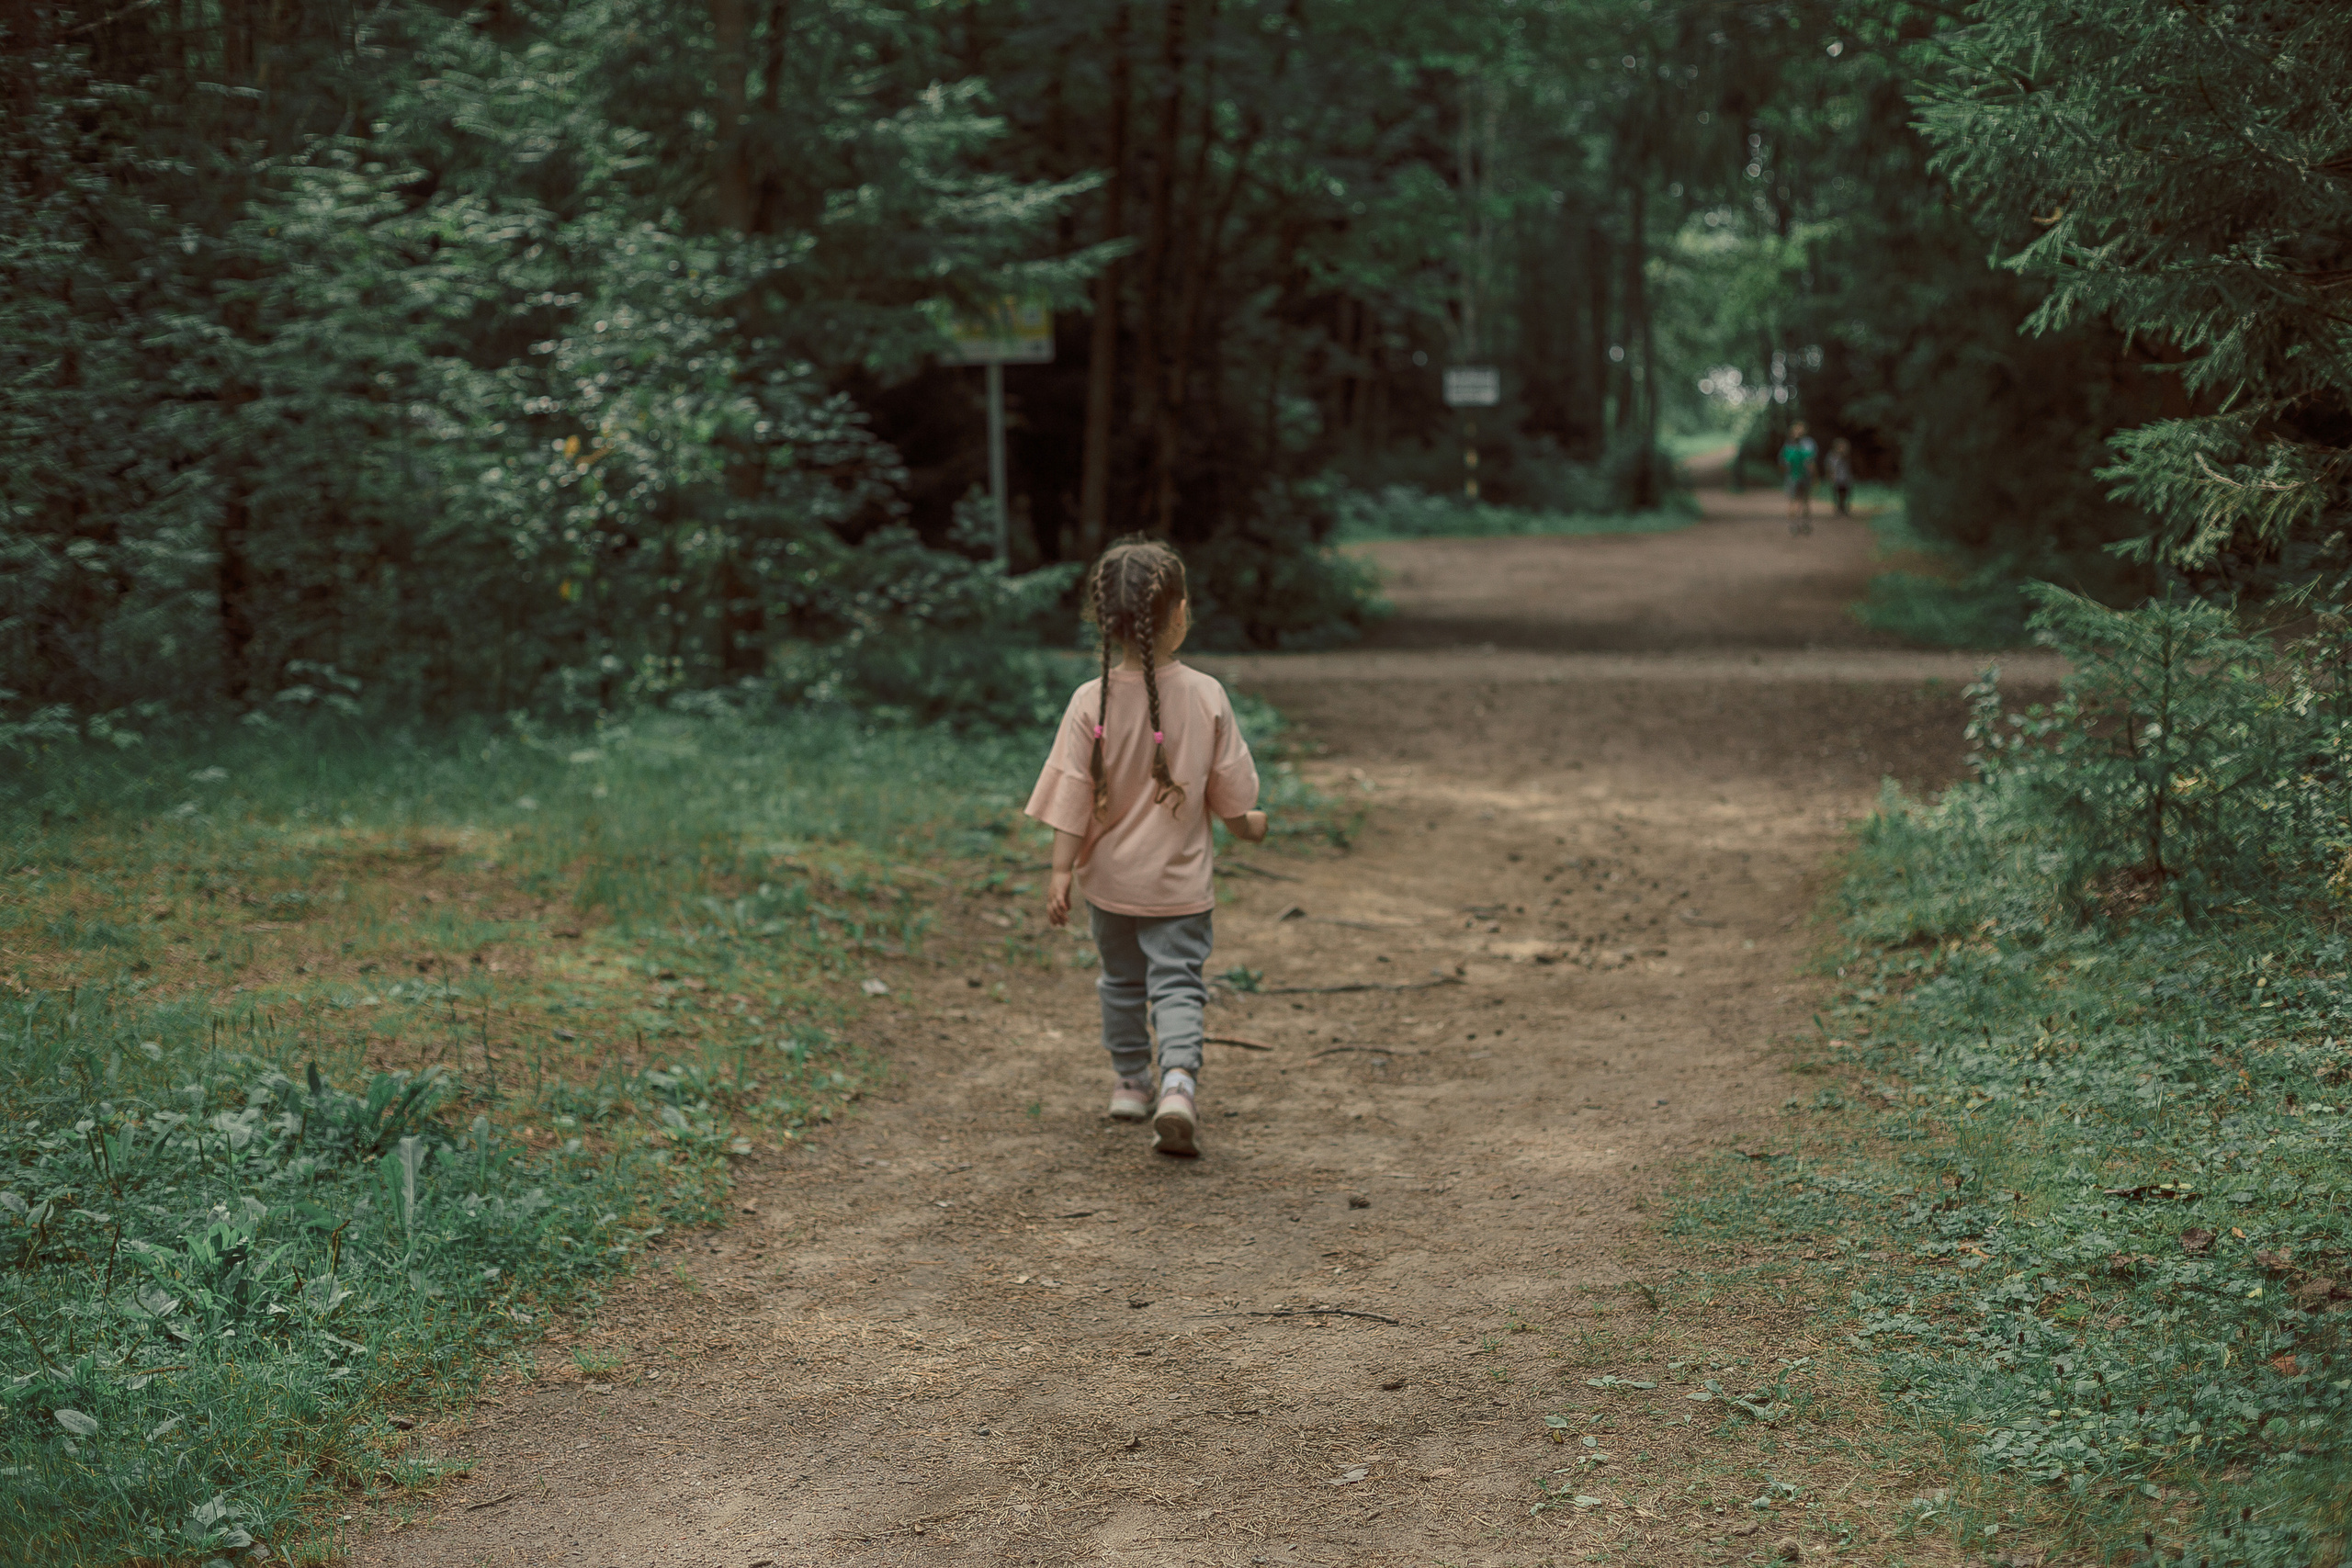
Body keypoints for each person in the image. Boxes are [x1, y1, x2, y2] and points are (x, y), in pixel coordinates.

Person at [1026, 536, 1266, 1158]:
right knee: (1178, 985)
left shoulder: (1091, 700)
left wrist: (1058, 871)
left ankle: (1131, 1082)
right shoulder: (1207, 694)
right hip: (1179, 888)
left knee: (1121, 983)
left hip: (1108, 885)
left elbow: (1072, 792)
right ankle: (1178, 1082)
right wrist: (1250, 825)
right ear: (1179, 612)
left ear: (1102, 620)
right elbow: (1231, 796)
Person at [1780, 422, 1818, 533]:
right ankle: (1803, 524)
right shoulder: (1807, 447)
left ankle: (1794, 525)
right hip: (1802, 476)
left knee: (1795, 501)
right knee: (1803, 501)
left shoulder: (1788, 448)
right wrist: (1815, 477)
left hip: (1793, 477)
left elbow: (1783, 464)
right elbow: (1811, 464)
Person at [1826, 437, 1855, 517]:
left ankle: (1844, 508)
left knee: (1845, 493)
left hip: (1845, 478)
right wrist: (1830, 476)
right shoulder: (1832, 455)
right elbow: (1829, 466)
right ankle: (1838, 508)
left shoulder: (1847, 456)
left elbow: (1850, 467)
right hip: (1836, 478)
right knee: (1836, 493)